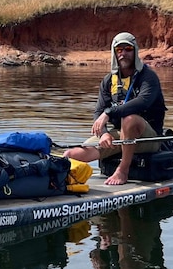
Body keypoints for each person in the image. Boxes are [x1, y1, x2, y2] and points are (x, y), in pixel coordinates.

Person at [63, 32, 167, 185]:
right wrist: (104, 133)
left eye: (128, 49)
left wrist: (109, 113)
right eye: (119, 50)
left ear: (135, 51)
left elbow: (142, 102)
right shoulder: (108, 81)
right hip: (121, 136)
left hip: (149, 138)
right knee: (70, 155)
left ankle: (122, 171)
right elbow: (99, 111)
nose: (123, 53)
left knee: (129, 119)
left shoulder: (148, 77)